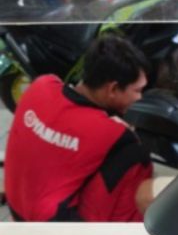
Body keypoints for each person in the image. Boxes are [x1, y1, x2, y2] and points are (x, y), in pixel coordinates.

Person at [4, 35, 157, 222]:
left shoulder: (42, 84)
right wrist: (124, 135)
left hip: (16, 203)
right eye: (137, 91)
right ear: (113, 89)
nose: (139, 98)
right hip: (51, 225)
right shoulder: (112, 133)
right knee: (135, 155)